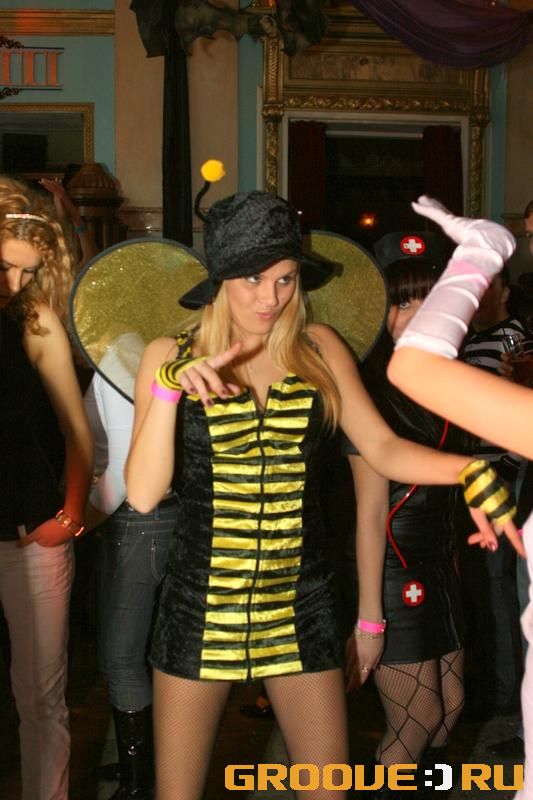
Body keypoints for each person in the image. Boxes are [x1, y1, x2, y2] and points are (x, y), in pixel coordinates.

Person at [124, 187, 512, 800]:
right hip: (199, 607)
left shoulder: (320, 348)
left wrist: (468, 470)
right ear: (219, 279)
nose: (270, 297)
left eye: (285, 279)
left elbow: (381, 448)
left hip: (300, 606)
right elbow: (144, 494)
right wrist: (168, 391)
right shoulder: (167, 355)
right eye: (253, 279)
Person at [386, 197, 533, 797]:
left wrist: (482, 249)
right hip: (406, 563)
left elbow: (416, 366)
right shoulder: (370, 388)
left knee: (445, 708)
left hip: (440, 553)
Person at [344, 234, 469, 782]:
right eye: (401, 301)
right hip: (393, 573)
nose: (417, 314)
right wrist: (369, 619)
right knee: (418, 719)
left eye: (428, 299)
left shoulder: (444, 380)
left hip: (440, 564)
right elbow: (370, 515)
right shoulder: (366, 390)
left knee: (451, 710)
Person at [0, 176, 93, 800]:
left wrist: (71, 516)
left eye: (28, 273)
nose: (14, 283)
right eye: (4, 267)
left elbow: (76, 432)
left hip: (30, 538)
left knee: (40, 699)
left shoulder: (35, 323)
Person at [83, 339, 179, 800]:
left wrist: (78, 520)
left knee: (122, 657)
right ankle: (138, 766)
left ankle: (138, 783)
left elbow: (123, 472)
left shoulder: (122, 353)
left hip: (139, 519)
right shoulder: (137, 349)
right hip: (156, 517)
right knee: (142, 652)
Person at [458, 264, 533, 721]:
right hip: (476, 477)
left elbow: (518, 404)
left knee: (497, 585)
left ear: (505, 293)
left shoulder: (513, 338)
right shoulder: (473, 340)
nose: (479, 295)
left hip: (499, 477)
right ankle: (497, 684)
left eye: (489, 287)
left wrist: (507, 466)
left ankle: (506, 692)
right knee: (487, 585)